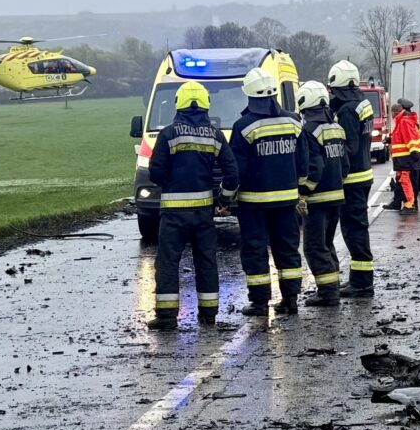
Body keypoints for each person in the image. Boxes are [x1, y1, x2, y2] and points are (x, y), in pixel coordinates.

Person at [146, 81, 239, 330]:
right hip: (203, 213)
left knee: (167, 262)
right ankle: (208, 315)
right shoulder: (216, 135)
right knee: (206, 261)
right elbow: (232, 172)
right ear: (206, 105)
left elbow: (155, 173)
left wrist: (171, 181)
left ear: (179, 104)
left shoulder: (167, 134)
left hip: (174, 213)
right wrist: (224, 198)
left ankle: (166, 318)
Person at [230, 68, 307, 316]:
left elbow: (237, 168)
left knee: (255, 251)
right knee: (287, 249)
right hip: (287, 201)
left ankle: (260, 303)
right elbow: (303, 162)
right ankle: (291, 299)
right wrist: (299, 188)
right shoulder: (294, 122)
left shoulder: (243, 126)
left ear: (249, 96)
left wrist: (227, 195)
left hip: (253, 203)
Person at [296, 81, 349, 307]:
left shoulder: (308, 131)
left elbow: (314, 167)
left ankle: (327, 293)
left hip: (317, 200)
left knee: (314, 247)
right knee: (327, 244)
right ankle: (333, 285)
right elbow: (345, 165)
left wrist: (303, 191)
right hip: (337, 196)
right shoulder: (336, 129)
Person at [327, 60, 376, 298]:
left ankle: (362, 283)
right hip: (364, 174)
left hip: (352, 179)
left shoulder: (346, 110)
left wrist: (333, 171)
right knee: (357, 227)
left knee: (353, 229)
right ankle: (359, 279)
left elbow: (349, 147)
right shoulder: (362, 103)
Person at [387, 98, 420, 216]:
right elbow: (401, 137)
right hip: (402, 158)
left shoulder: (404, 121)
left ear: (394, 113)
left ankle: (410, 204)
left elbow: (410, 138)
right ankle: (402, 202)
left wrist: (414, 153)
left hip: (406, 158)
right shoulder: (403, 120)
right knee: (402, 180)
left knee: (406, 180)